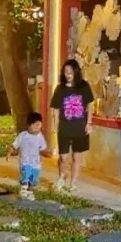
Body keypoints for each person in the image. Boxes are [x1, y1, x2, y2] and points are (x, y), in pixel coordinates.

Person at [49, 59, 94, 193]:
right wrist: (55, 126)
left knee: (76, 157)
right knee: (63, 157)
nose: (68, 75)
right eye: (65, 72)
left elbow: (89, 105)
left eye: (70, 72)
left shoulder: (84, 86)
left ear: (76, 72)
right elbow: (55, 109)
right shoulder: (60, 89)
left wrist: (89, 123)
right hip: (64, 127)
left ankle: (73, 183)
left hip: (80, 127)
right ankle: (61, 177)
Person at [7, 111, 50, 201]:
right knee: (26, 175)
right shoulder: (23, 135)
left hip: (36, 164)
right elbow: (14, 145)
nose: (37, 127)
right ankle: (23, 190)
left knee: (33, 180)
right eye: (34, 125)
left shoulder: (40, 137)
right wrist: (9, 153)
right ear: (28, 125)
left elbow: (42, 149)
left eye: (39, 125)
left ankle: (30, 192)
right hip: (25, 162)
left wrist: (47, 154)